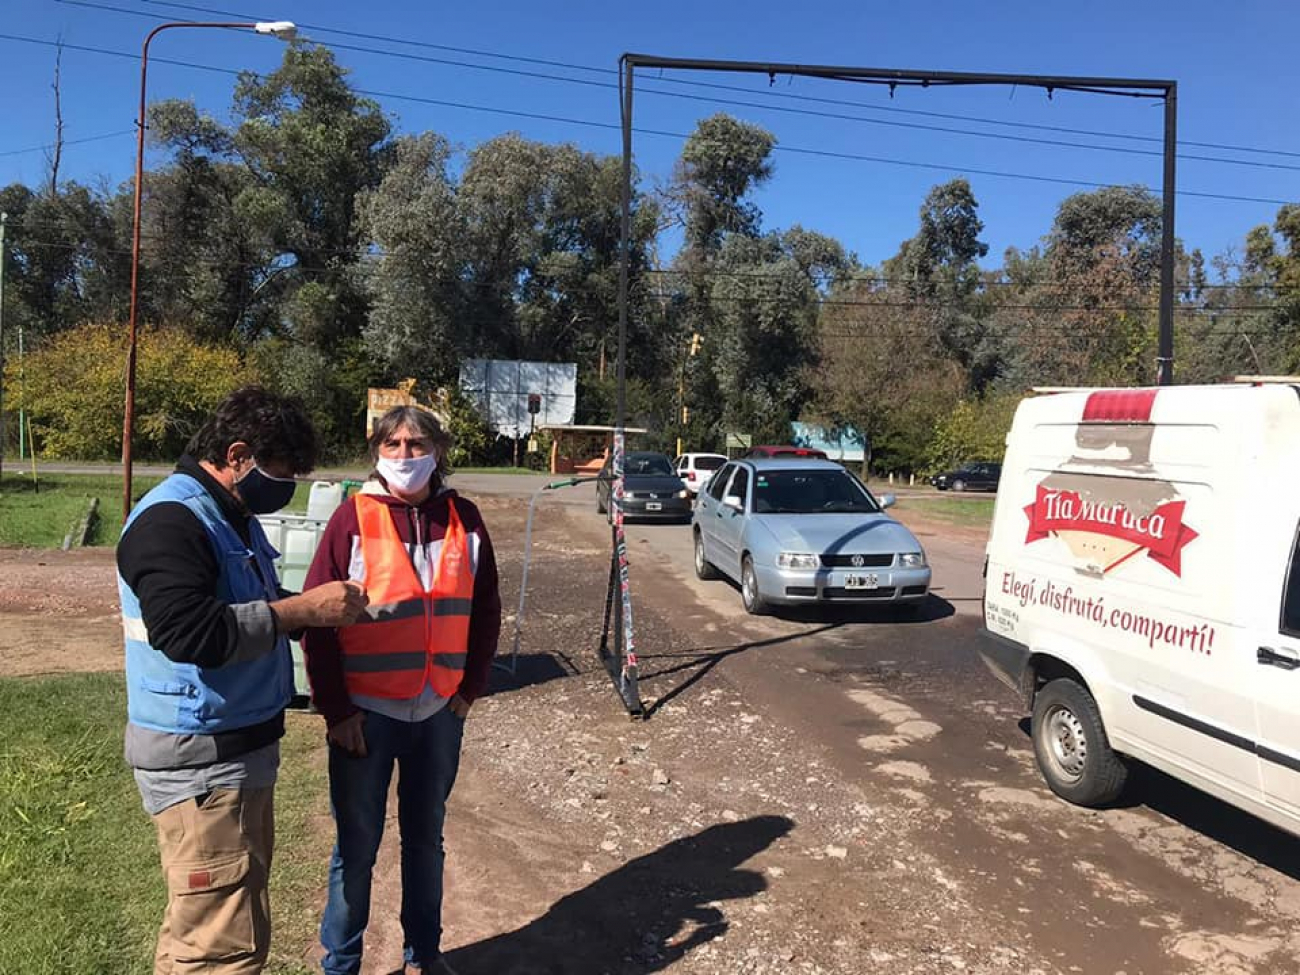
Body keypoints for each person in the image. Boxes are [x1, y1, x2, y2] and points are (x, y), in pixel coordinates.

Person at [117, 385, 370, 975]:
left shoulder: (229, 515)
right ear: (237, 455)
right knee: (221, 948)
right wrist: (302, 612)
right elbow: (189, 634)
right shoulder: (171, 521)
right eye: (283, 472)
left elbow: (247, 602)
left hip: (229, 755)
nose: (287, 487)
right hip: (201, 764)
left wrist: (311, 608)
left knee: (204, 926)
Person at [303, 406, 502, 975]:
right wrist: (336, 712)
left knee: (425, 843)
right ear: (376, 454)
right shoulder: (352, 518)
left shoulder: (465, 517)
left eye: (416, 444)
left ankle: (424, 955)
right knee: (356, 851)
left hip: (439, 712)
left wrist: (469, 692)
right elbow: (318, 620)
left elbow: (485, 610)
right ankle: (341, 964)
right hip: (365, 718)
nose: (405, 455)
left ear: (438, 450)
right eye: (392, 445)